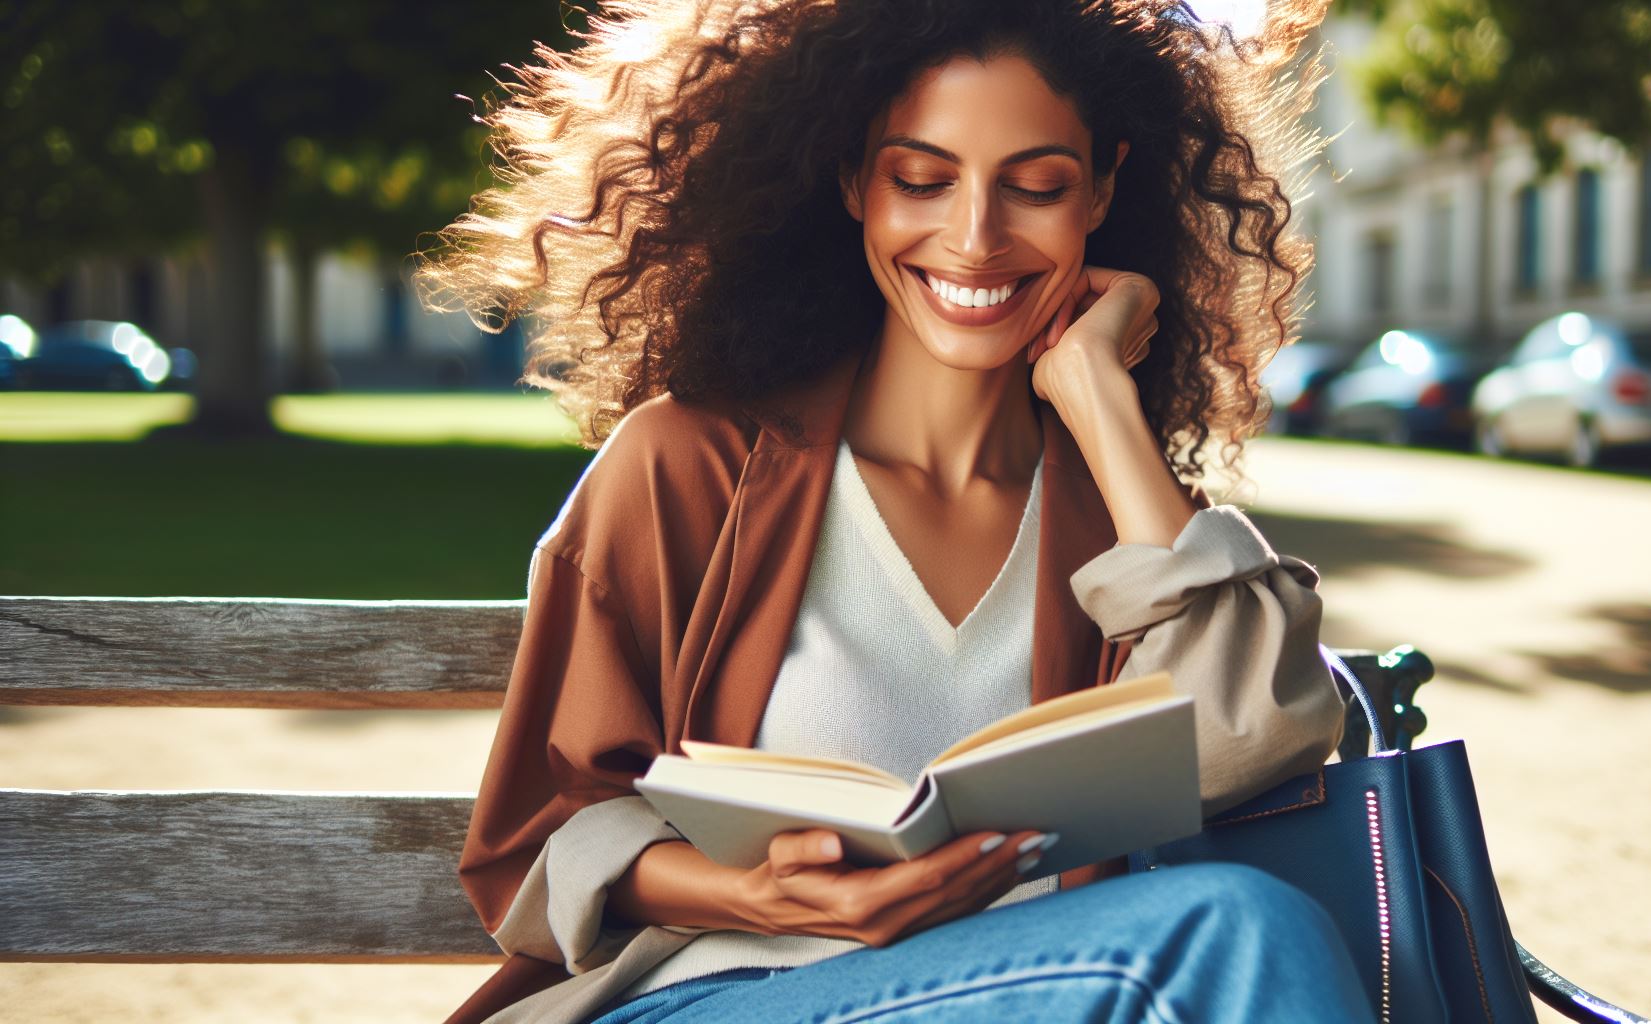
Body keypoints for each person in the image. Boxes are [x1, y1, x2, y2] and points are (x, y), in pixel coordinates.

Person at [418, 1, 1371, 1021]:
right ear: (852, 183)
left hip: (1034, 992)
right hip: (725, 992)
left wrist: (1099, 398)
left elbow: (1261, 731)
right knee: (1231, 930)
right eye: (921, 179)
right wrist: (754, 893)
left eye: (1036, 185)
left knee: (1225, 933)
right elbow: (540, 834)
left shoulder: (1115, 521)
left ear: (1098, 191)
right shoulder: (686, 464)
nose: (973, 236)